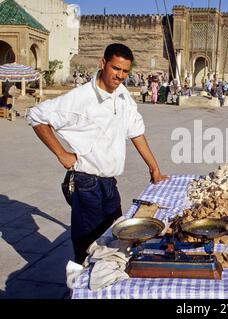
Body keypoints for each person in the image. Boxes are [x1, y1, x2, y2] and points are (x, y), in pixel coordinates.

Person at [26, 43, 169, 264]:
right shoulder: (81, 98)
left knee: (117, 239)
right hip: (86, 184)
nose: (120, 75)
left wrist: (154, 168)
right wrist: (62, 154)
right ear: (103, 64)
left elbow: (136, 133)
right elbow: (36, 116)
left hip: (109, 184)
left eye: (125, 71)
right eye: (116, 68)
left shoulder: (122, 95)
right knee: (88, 247)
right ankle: (80, 290)